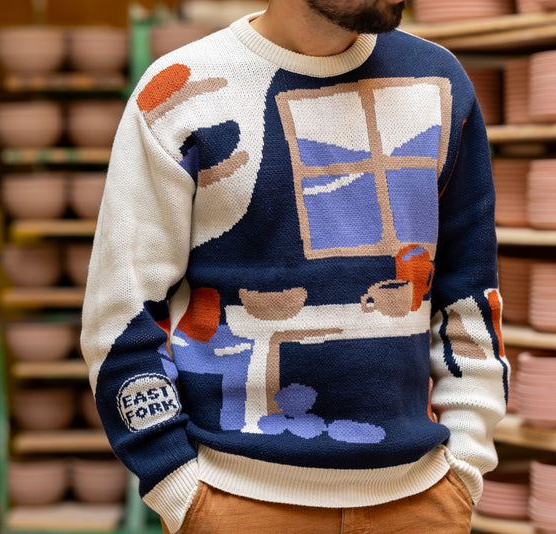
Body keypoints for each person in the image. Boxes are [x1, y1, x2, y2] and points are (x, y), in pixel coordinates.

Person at [80, 1, 508, 532]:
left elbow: (469, 294)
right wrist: (175, 484)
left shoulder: (439, 80)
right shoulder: (183, 92)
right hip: (234, 501)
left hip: (420, 501)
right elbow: (120, 314)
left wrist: (466, 462)